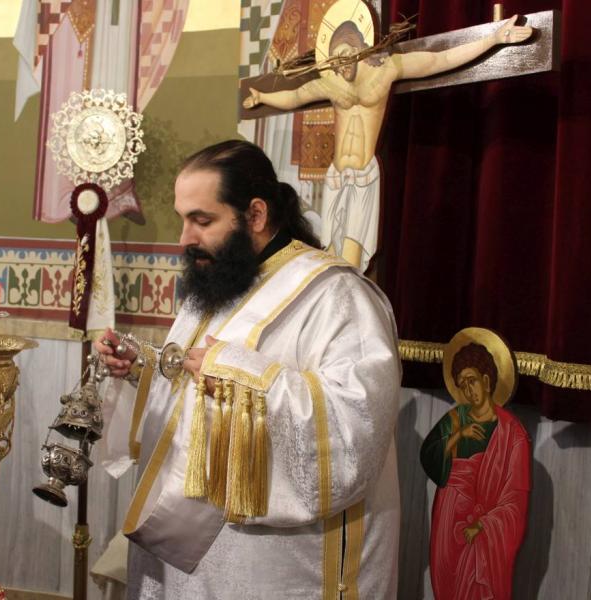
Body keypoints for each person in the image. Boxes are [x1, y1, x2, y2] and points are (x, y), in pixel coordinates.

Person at [95, 139, 402, 599]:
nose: (184, 238)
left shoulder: (339, 298)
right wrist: (142, 370)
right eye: (183, 219)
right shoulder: (221, 283)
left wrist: (238, 374)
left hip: (279, 566)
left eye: (202, 220)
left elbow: (355, 429)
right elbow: (194, 387)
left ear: (256, 215)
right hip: (189, 556)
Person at [243, 14, 533, 271]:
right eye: (335, 59)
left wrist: (494, 39)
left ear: (360, 48)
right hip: (335, 177)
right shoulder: (330, 81)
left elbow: (441, 60)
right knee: (330, 254)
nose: (341, 66)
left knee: (353, 260)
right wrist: (262, 97)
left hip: (363, 175)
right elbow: (295, 96)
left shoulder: (386, 69)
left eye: (345, 57)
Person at [420, 340, 531, 600]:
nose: (469, 390)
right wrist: (458, 436)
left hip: (482, 526)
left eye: (472, 381)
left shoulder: (511, 433)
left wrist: (483, 525)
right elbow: (428, 454)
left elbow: (515, 498)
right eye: (463, 384)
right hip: (448, 518)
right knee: (446, 584)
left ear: (487, 380)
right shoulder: (455, 419)